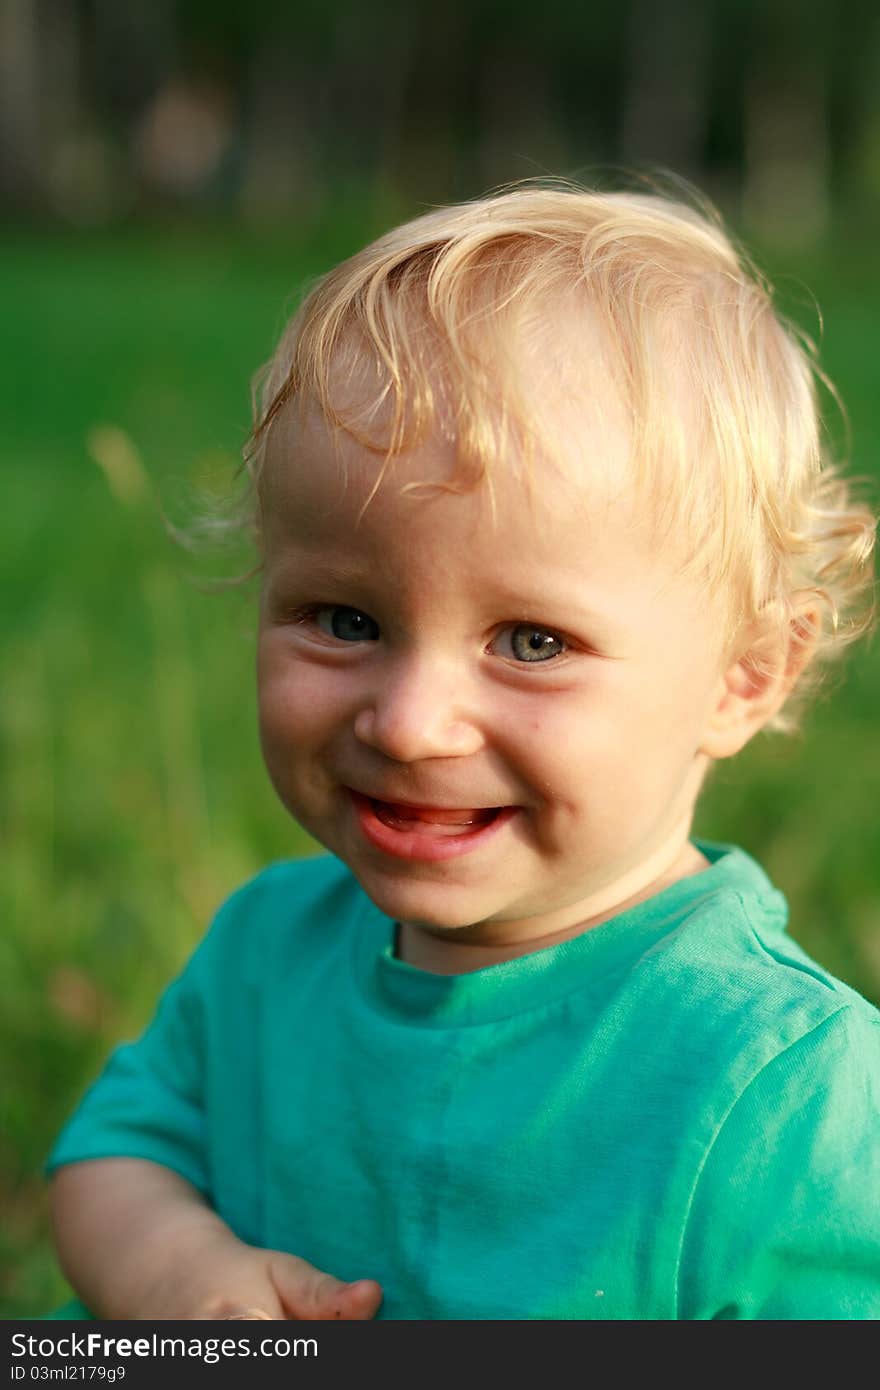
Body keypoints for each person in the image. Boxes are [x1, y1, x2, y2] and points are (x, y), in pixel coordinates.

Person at [46, 181, 880, 1320]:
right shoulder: (263, 958)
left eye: (531, 642)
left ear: (747, 675)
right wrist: (179, 1275)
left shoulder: (785, 1091)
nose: (408, 722)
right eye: (346, 620)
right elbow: (114, 1157)